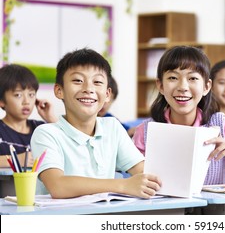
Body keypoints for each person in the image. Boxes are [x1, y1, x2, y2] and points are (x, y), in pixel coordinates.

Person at [31, 48, 161, 199]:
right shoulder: (46, 133)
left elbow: (144, 171)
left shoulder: (112, 127)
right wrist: (123, 185)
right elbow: (58, 186)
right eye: (78, 81)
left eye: (97, 82)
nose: (88, 89)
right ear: (59, 90)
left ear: (107, 94)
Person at [133, 46, 225, 186]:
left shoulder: (221, 124)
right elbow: (135, 182)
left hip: (214, 208)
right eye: (173, 77)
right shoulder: (145, 132)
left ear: (206, 87)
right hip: (166, 207)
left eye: (192, 78)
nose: (183, 87)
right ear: (160, 85)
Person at [0, 64, 57, 168]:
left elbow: (72, 149)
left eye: (31, 95)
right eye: (18, 95)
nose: (26, 102)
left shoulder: (41, 128)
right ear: (1, 101)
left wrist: (51, 118)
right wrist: (15, 160)